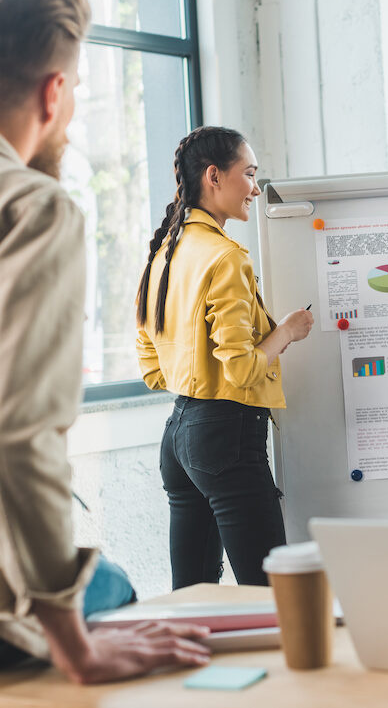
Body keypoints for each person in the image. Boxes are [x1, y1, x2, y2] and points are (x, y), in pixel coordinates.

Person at [0, 0, 211, 683]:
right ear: (54, 92)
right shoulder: (35, 208)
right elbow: (21, 433)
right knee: (112, 590)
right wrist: (73, 644)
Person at [136, 126, 314, 589]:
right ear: (214, 176)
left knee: (193, 597)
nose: (255, 187)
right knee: (273, 592)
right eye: (249, 174)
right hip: (227, 436)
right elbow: (241, 369)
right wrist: (287, 332)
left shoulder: (165, 254)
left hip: (179, 436)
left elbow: (151, 366)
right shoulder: (225, 257)